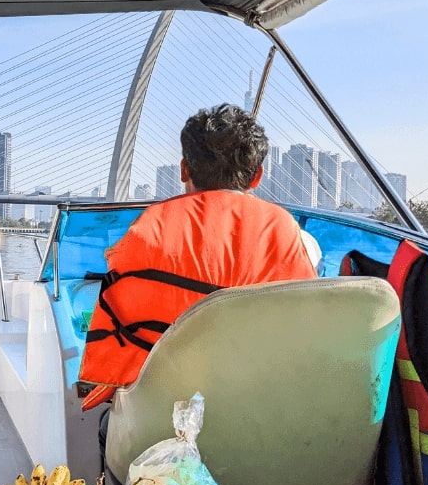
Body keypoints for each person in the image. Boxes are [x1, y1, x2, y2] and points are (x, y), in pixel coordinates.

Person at [80, 104, 319, 413]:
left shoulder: (145, 232)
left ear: (183, 170)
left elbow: (116, 345)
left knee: (107, 424)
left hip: (158, 417)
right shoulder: (291, 235)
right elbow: (305, 336)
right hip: (259, 416)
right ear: (257, 176)